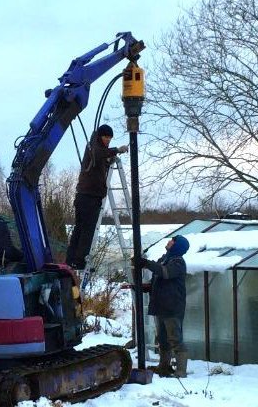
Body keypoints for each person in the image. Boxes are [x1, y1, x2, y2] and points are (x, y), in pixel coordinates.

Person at [65, 124, 128, 269]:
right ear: (100, 136)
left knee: (80, 229)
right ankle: (79, 261)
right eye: (106, 137)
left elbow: (99, 162)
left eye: (110, 138)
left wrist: (108, 160)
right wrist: (116, 150)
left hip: (86, 196)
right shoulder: (93, 147)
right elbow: (98, 154)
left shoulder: (97, 149)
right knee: (87, 230)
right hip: (89, 196)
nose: (108, 141)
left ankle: (71, 260)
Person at [139, 235, 190, 377]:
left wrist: (146, 263)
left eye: (173, 241)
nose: (169, 242)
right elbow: (159, 280)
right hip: (161, 306)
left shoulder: (178, 262)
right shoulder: (165, 259)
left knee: (175, 339)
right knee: (162, 339)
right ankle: (164, 367)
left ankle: (181, 371)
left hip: (172, 308)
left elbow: (165, 273)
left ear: (177, 246)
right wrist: (143, 287)